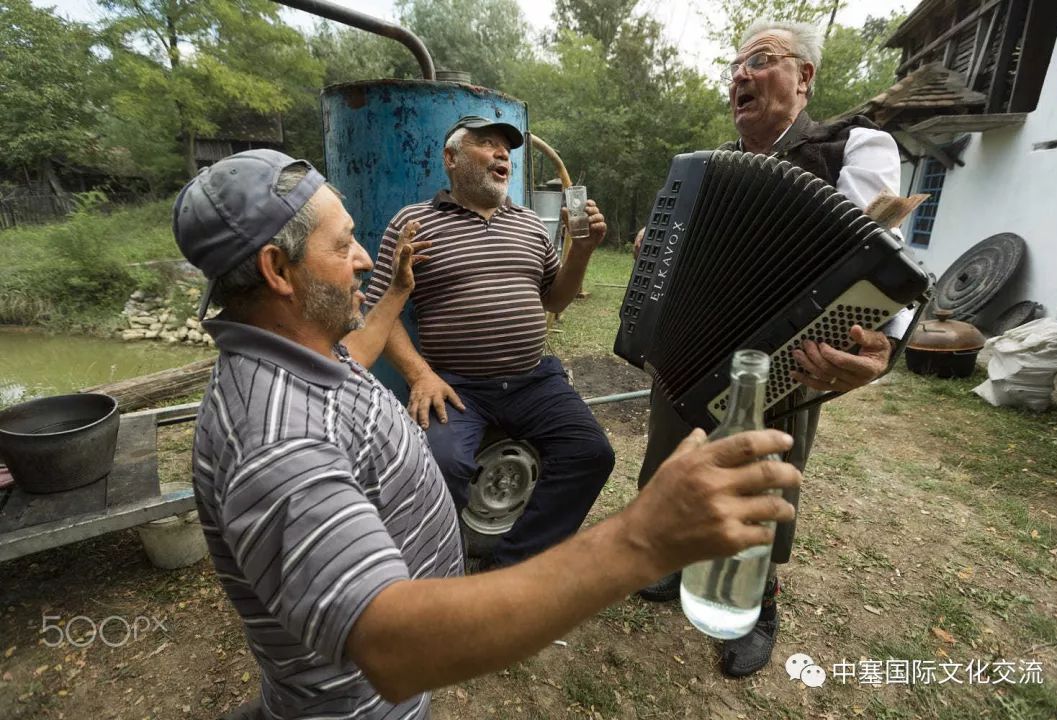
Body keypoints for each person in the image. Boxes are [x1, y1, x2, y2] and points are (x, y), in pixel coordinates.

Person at [173, 148, 802, 719]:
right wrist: (643, 539)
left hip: (527, 385)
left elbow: (358, 354)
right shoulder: (276, 445)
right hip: (365, 708)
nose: (363, 257)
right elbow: (397, 651)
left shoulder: (296, 349)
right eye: (342, 247)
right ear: (277, 271)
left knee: (587, 449)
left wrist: (394, 295)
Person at [632, 20, 915, 678]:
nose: (740, 75)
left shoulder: (853, 148)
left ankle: (759, 602)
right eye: (735, 66)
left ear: (804, 77)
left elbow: (880, 263)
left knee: (759, 481)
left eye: (760, 61)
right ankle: (673, 563)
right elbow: (673, 258)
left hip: (779, 363)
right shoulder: (702, 173)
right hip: (688, 349)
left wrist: (882, 347)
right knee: (671, 457)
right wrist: (656, 252)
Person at [363, 115, 615, 569]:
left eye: (506, 149)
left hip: (532, 380)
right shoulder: (414, 223)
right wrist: (419, 375)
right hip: (459, 388)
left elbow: (555, 298)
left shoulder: (531, 226)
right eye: (487, 143)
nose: (503, 154)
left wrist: (583, 251)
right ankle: (439, 569)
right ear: (451, 158)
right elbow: (380, 309)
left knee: (591, 453)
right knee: (437, 466)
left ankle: (513, 565)